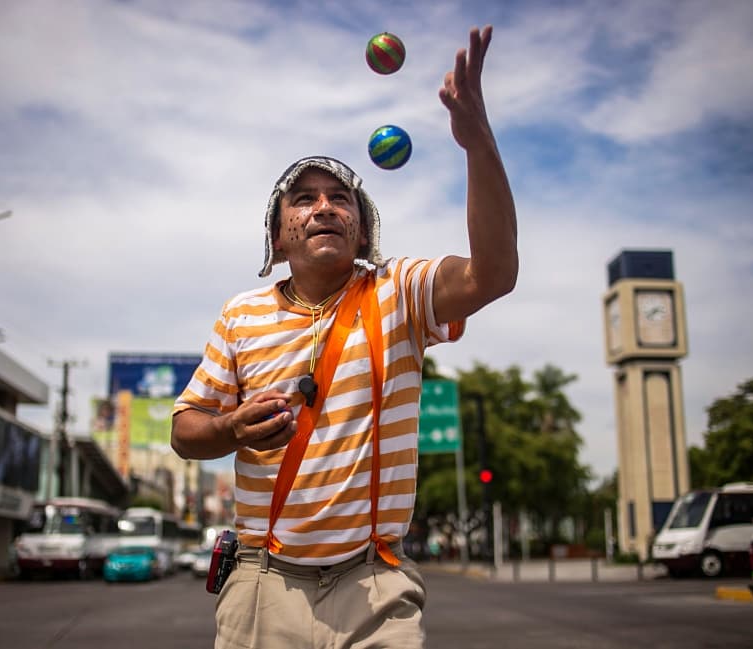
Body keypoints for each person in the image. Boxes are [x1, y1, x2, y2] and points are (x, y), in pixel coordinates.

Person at [171, 25, 517, 649]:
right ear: (278, 238)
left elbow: (494, 274)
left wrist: (476, 143)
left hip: (375, 586)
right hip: (260, 584)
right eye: (303, 200)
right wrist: (229, 428)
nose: (324, 207)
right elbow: (185, 429)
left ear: (361, 232)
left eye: (340, 200)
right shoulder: (240, 315)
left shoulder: (398, 293)